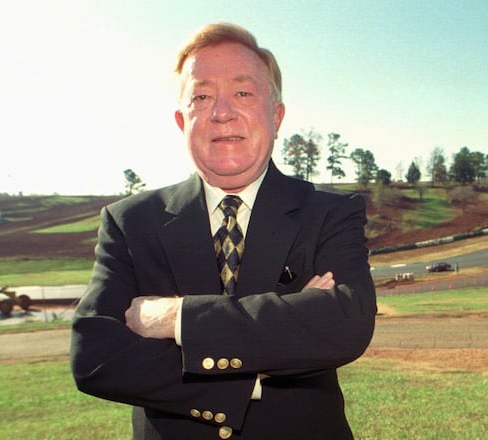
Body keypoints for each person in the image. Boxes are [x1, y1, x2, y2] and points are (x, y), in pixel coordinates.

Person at [69, 22, 376, 440]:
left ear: (277, 114)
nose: (222, 112)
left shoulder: (330, 212)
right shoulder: (130, 222)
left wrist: (174, 320)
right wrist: (275, 346)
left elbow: (345, 324)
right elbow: (95, 356)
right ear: (182, 121)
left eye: (243, 92)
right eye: (202, 96)